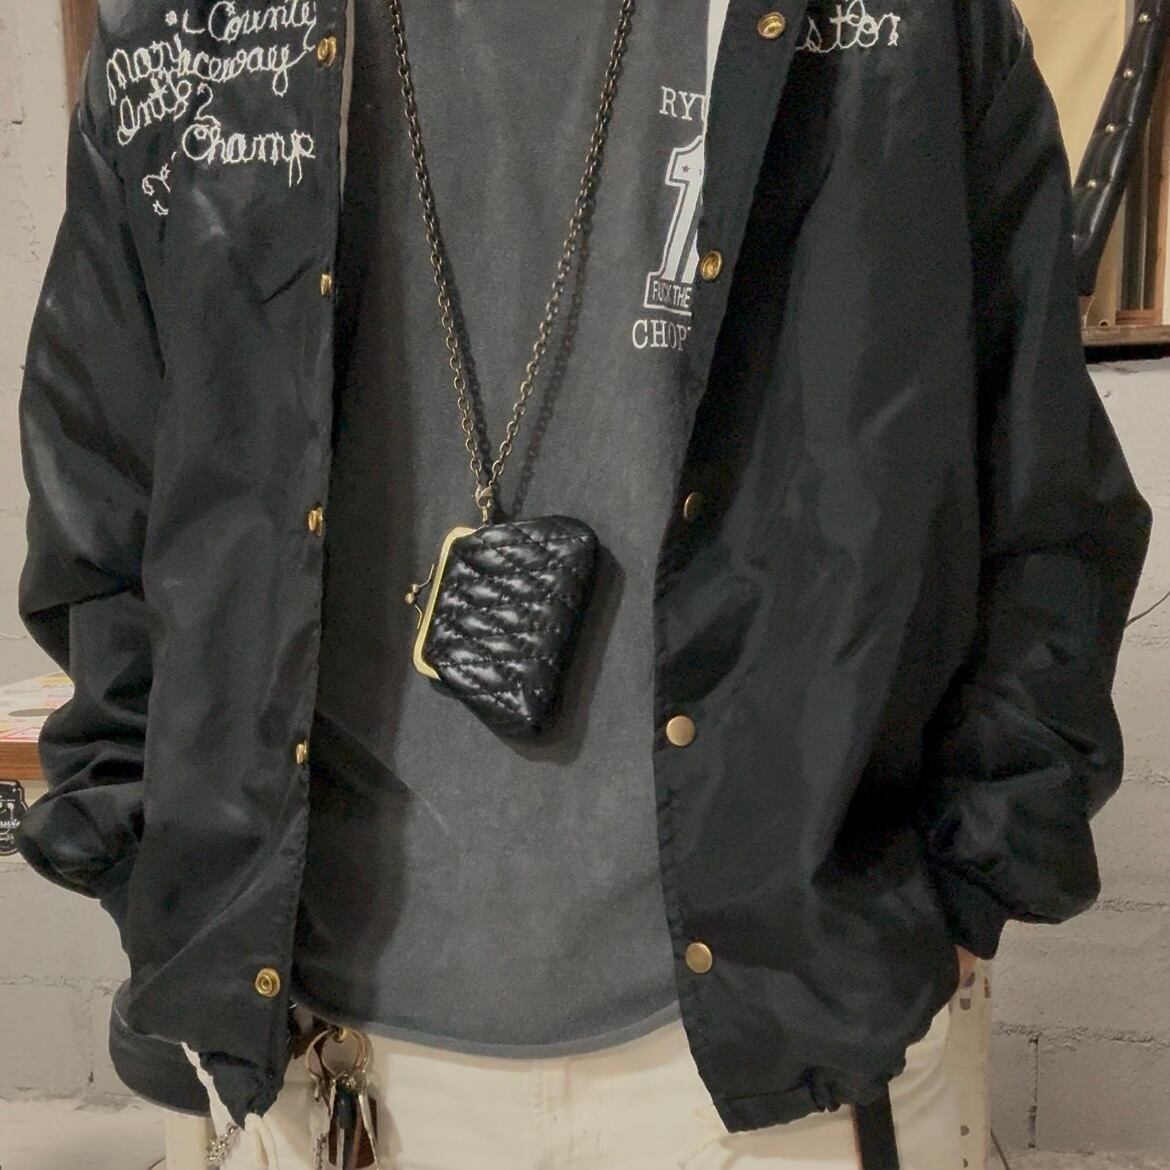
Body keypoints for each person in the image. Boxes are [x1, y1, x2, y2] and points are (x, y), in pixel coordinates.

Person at [14, 0, 1151, 1167]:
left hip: (793, 1058)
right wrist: (166, 886)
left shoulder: (908, 31)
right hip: (329, 1064)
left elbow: (1046, 493)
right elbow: (103, 513)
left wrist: (968, 882)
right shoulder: (195, 41)